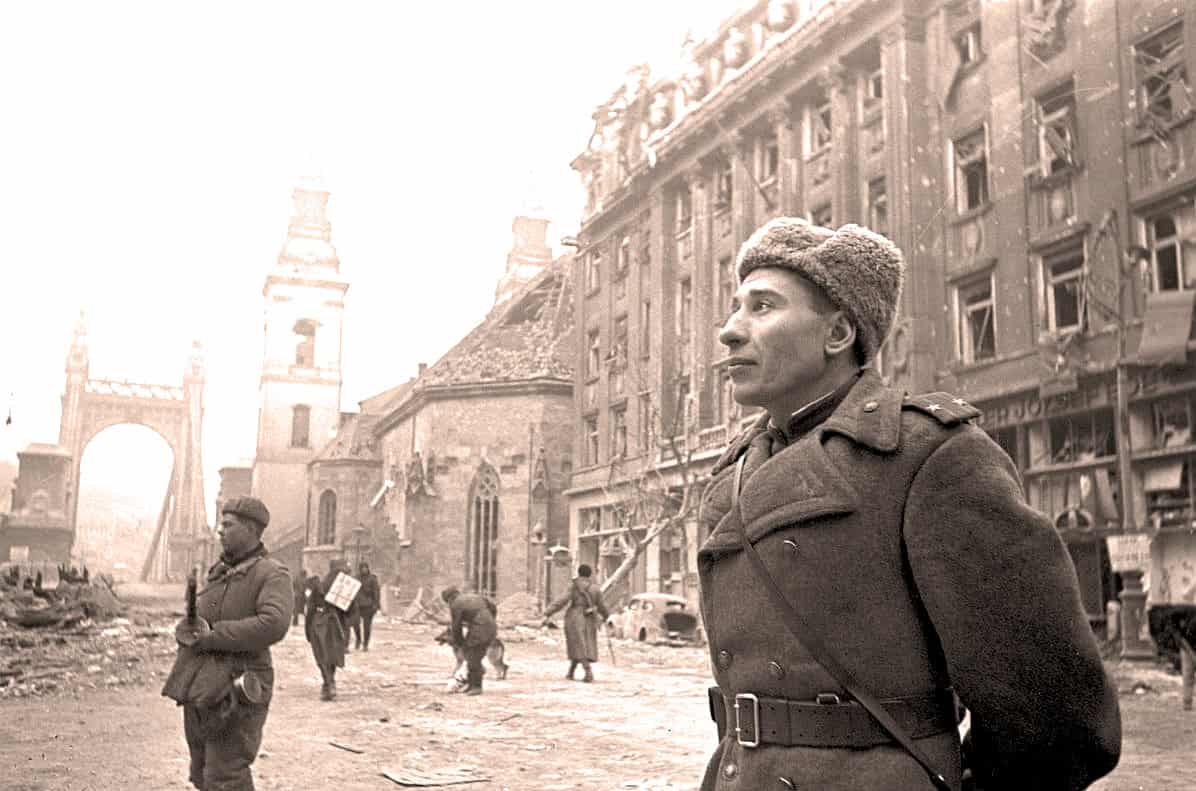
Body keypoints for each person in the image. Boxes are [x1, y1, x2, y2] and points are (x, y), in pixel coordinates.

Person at [696, 217, 1121, 790]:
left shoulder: (931, 457)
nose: (730, 331)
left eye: (763, 307)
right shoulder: (737, 469)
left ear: (839, 334)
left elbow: (1053, 716)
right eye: (735, 307)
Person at [171, 496, 292, 791]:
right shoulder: (219, 572)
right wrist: (188, 628)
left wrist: (212, 636)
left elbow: (273, 624)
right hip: (203, 684)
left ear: (251, 529)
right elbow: (202, 618)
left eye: (228, 524)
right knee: (201, 771)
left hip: (239, 684)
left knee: (225, 774)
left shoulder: (271, 573)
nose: (220, 531)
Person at [541, 564, 608, 683]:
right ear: (590, 574)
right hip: (589, 618)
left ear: (579, 573)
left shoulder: (574, 586)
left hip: (575, 617)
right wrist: (606, 616)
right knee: (583, 644)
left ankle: (588, 672)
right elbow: (601, 605)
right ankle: (571, 671)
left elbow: (562, 601)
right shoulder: (595, 588)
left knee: (577, 644)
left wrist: (548, 612)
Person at [306, 559, 352, 701]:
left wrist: (308, 628)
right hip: (335, 624)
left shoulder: (319, 585)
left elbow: (311, 608)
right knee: (332, 655)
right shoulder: (344, 586)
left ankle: (328, 683)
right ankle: (329, 683)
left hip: (320, 623)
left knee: (321, 655)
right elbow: (349, 612)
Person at [441, 586, 497, 696]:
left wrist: (459, 643)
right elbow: (493, 607)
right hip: (490, 626)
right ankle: (472, 684)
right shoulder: (474, 596)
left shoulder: (455, 604)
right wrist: (490, 620)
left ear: (449, 599)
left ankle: (476, 687)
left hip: (479, 628)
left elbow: (456, 627)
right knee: (474, 655)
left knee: (472, 655)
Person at [353, 562, 381, 651]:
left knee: (367, 626)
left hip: (368, 605)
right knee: (355, 624)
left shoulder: (372, 579)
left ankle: (365, 644)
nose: (364, 569)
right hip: (357, 605)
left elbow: (376, 592)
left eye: (366, 567)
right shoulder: (356, 578)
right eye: (362, 568)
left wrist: (376, 604)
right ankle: (358, 639)